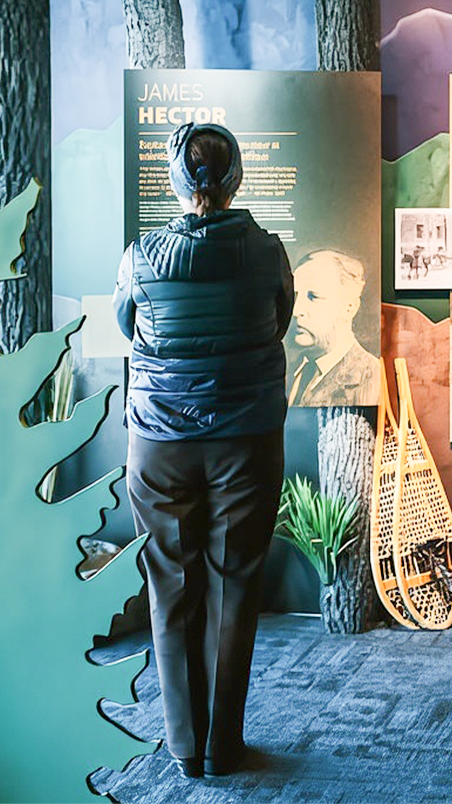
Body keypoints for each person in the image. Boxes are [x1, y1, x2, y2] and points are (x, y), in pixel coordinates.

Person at [113, 122, 294, 779]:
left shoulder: (142, 254)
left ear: (176, 181)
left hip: (158, 442)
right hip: (245, 438)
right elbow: (279, 320)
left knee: (171, 588)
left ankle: (186, 748)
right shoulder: (268, 251)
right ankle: (223, 746)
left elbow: (128, 325)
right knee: (234, 587)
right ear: (236, 176)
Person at [286, 248, 381, 407]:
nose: (296, 311)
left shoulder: (372, 377)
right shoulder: (290, 372)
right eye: (295, 296)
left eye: (314, 297)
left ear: (349, 307)